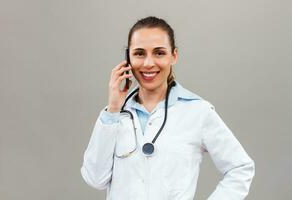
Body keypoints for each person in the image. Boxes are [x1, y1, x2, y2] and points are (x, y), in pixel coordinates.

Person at [81, 16, 255, 200]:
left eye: (159, 53)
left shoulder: (198, 112)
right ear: (128, 58)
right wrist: (114, 108)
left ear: (174, 56)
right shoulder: (114, 116)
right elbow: (95, 179)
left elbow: (240, 168)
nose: (148, 63)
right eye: (139, 53)